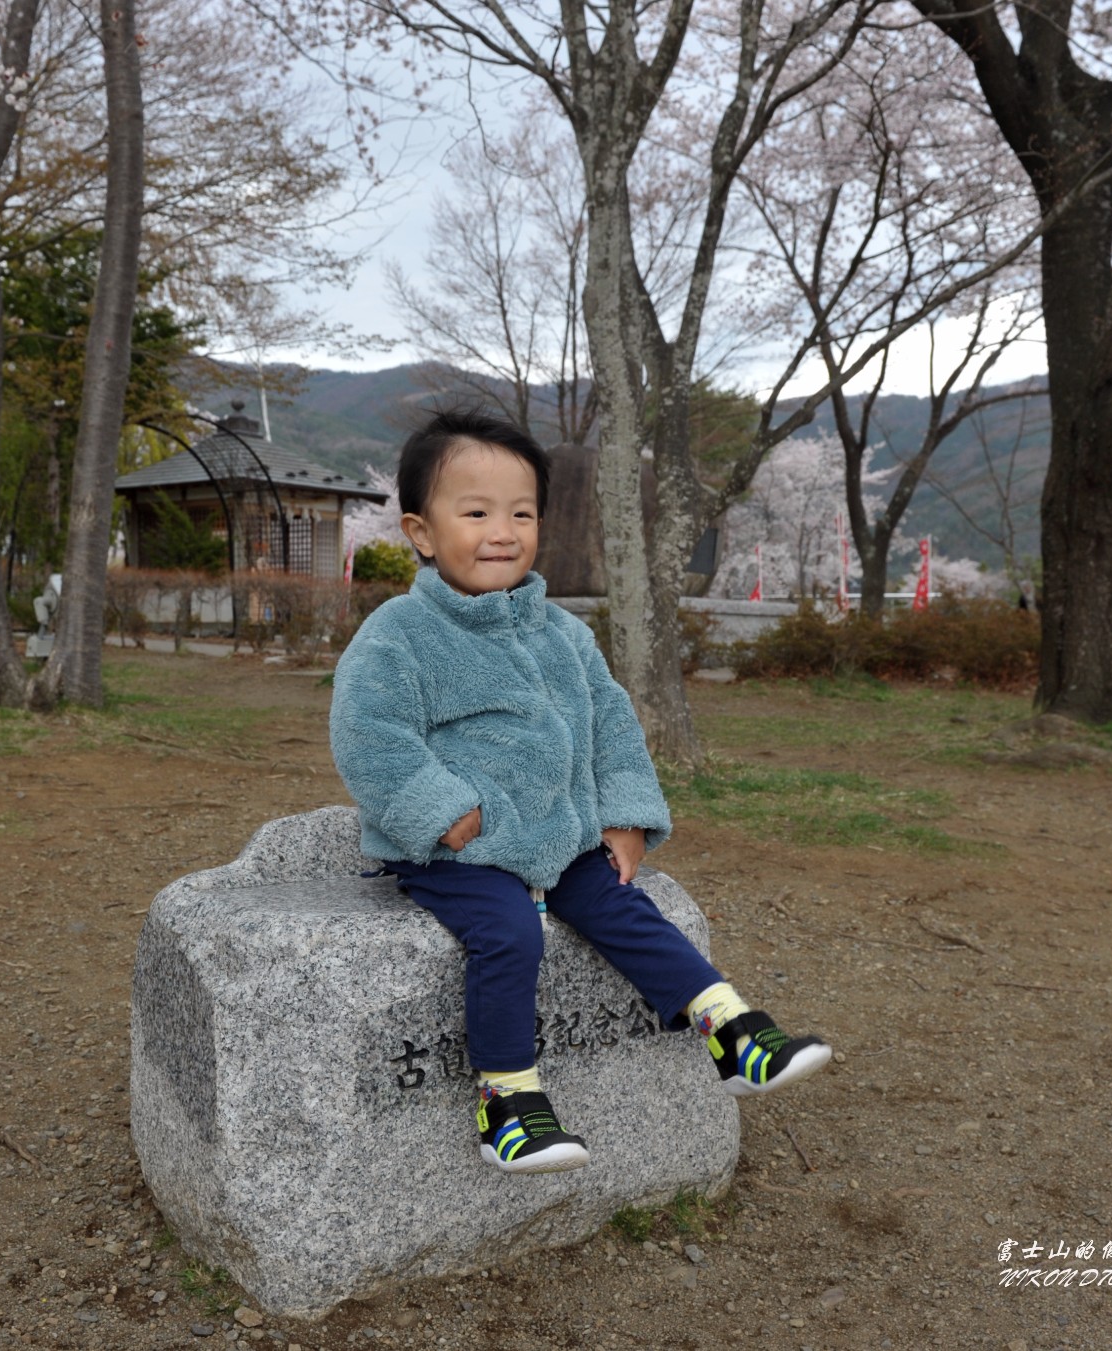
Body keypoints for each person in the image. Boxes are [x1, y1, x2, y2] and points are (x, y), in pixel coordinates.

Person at [330, 409, 831, 1175]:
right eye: (475, 512)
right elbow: (370, 734)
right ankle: (508, 1099)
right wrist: (438, 810)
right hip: (459, 851)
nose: (503, 530)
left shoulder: (563, 634)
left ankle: (730, 1030)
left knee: (626, 906)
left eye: (522, 512)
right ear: (421, 532)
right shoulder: (400, 634)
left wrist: (625, 813)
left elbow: (610, 724)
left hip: (557, 837)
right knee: (508, 934)